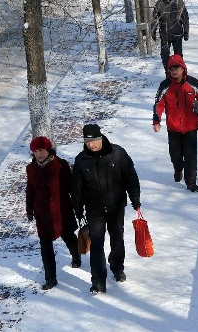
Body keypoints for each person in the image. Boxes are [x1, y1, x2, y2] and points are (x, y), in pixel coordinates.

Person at [71, 123, 141, 294]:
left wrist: (135, 199)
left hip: (116, 205)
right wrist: (78, 210)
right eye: (88, 142)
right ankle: (98, 281)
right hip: (94, 209)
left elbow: (130, 176)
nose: (91, 145)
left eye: (94, 140)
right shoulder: (81, 160)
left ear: (100, 138)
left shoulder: (117, 153)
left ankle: (117, 267)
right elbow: (76, 188)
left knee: (117, 238)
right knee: (96, 243)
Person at [26, 136, 81, 291]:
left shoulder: (60, 165)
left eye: (41, 150)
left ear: (48, 150)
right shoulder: (30, 169)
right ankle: (50, 278)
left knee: (69, 236)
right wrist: (29, 209)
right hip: (42, 213)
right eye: (35, 151)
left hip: (61, 210)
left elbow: (71, 187)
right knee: (45, 246)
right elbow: (30, 190)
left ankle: (76, 256)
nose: (38, 154)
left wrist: (78, 206)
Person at [152, 54, 198, 193]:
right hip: (173, 127)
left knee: (190, 155)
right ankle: (178, 168)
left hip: (190, 127)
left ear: (183, 69)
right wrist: (156, 121)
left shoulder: (192, 83)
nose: (174, 71)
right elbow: (158, 104)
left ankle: (191, 182)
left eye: (177, 68)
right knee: (175, 155)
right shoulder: (165, 85)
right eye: (171, 69)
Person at [151, 0, 189, 74]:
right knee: (164, 56)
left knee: (178, 57)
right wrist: (153, 31)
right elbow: (154, 19)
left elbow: (185, 18)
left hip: (177, 34)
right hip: (165, 35)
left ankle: (180, 74)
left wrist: (186, 31)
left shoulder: (179, 3)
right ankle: (168, 74)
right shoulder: (159, 4)